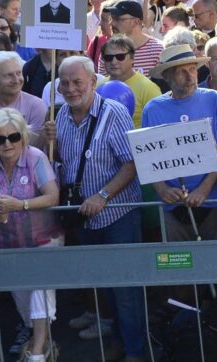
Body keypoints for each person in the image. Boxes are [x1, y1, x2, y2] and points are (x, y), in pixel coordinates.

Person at [41, 56, 146, 362]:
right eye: (65, 83)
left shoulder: (113, 113)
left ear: (92, 83)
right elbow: (67, 160)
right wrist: (51, 143)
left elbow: (131, 163)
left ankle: (136, 351)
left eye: (78, 82)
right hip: (83, 217)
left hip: (117, 214)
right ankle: (120, 341)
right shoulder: (59, 116)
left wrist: (103, 195)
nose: (71, 89)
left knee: (124, 287)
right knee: (104, 285)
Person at [0, 108, 62, 362]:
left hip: (44, 239)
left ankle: (37, 353)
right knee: (24, 304)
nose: (7, 143)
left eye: (13, 137)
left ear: (23, 136)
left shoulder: (36, 158)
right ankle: (42, 341)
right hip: (7, 243)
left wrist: (19, 205)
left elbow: (52, 195)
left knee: (41, 294)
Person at [141, 44, 217, 243]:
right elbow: (148, 158)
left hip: (214, 201)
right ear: (167, 76)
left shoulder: (214, 100)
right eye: (182, 72)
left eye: (192, 69)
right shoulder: (153, 109)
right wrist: (162, 189)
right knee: (180, 267)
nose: (191, 76)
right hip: (172, 205)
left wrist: (204, 189)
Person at [0, 51, 48, 157]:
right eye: (8, 75)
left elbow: (34, 149)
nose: (16, 80)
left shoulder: (36, 106)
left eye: (19, 73)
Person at [98, 35, 161, 129]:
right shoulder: (98, 86)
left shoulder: (148, 88)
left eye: (120, 57)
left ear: (132, 58)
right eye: (108, 57)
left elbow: (158, 126)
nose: (114, 62)